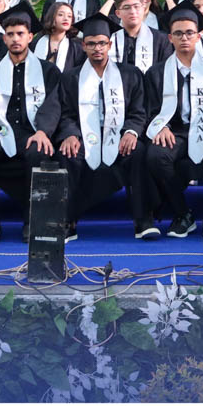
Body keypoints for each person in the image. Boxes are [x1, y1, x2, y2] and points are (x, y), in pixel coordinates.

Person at [142, 3, 203, 239]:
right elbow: (149, 110)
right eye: (178, 33)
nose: (184, 38)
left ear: (198, 36)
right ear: (170, 38)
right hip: (176, 132)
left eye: (189, 33)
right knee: (156, 155)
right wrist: (162, 126)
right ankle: (182, 213)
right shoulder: (156, 73)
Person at [0, 3, 64, 244]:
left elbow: (53, 104)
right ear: (4, 38)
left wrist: (43, 131)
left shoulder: (48, 70)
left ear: (30, 37)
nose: (15, 39)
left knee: (39, 149)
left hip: (32, 131)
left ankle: (32, 221)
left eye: (20, 34)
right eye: (10, 34)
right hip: (1, 131)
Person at [56, 13, 155, 239]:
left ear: (110, 44)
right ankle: (68, 220)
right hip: (84, 136)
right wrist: (70, 134)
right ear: (83, 46)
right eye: (91, 44)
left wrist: (131, 132)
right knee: (67, 153)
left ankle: (142, 220)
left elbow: (139, 110)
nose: (97, 48)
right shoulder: (71, 77)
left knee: (139, 151)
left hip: (119, 135)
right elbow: (66, 112)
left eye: (102, 43)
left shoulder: (130, 74)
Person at [109, 0, 173, 72]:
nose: (133, 11)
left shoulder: (161, 40)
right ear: (118, 13)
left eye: (136, 6)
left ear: (143, 8)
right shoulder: (110, 40)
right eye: (126, 7)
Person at [33, 0, 84, 71]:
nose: (66, 18)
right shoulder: (36, 42)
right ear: (52, 17)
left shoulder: (77, 47)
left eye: (69, 16)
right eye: (60, 15)